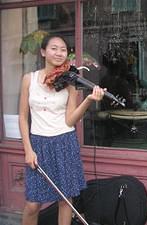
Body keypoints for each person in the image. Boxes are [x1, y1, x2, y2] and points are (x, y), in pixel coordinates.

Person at [19, 34, 105, 225]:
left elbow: (70, 120)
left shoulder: (70, 82)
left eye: (63, 50)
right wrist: (28, 149)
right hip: (38, 144)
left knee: (65, 200)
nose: (59, 53)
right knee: (33, 203)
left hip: (64, 142)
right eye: (54, 48)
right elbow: (23, 117)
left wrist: (89, 100)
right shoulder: (29, 79)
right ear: (43, 52)